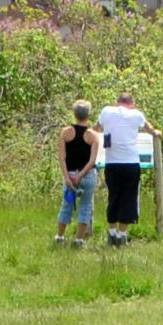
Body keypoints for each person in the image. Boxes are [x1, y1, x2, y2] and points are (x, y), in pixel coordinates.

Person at [96, 87, 150, 246]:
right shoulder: (137, 115)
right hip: (131, 162)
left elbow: (96, 128)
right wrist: (157, 133)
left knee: (114, 197)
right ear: (132, 104)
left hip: (112, 163)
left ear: (116, 102)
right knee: (129, 198)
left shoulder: (106, 111)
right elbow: (149, 128)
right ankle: (122, 234)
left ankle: (111, 233)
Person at [53, 101, 100, 246]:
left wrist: (67, 177)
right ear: (88, 115)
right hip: (88, 175)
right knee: (85, 206)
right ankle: (78, 239)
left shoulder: (66, 132)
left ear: (74, 114)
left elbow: (62, 157)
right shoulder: (92, 135)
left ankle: (60, 237)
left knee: (67, 204)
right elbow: (92, 161)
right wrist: (81, 175)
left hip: (70, 174)